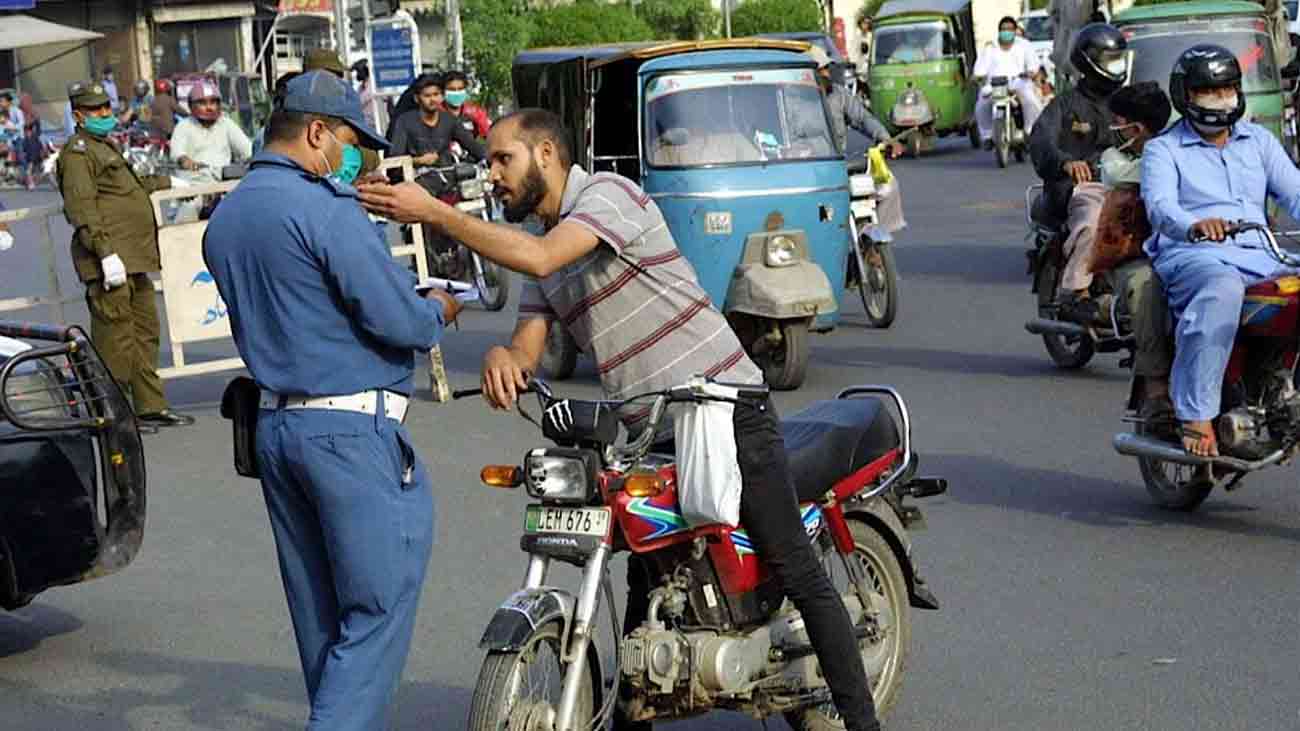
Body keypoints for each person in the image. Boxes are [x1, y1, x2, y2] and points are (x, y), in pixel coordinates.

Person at [356, 107, 885, 731]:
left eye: (504, 159)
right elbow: (529, 339)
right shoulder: (545, 242)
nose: (491, 172)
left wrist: (439, 214)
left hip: (724, 407)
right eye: (490, 161)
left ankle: (862, 723)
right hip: (645, 430)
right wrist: (504, 357)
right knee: (646, 572)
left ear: (547, 154)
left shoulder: (608, 196)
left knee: (794, 564)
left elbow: (543, 258)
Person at [203, 70, 461, 730]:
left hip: (277, 427)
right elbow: (397, 319)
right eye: (349, 141)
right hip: (349, 434)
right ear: (316, 132)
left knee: (321, 618)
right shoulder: (326, 207)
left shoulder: (227, 217)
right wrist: (436, 308)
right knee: (376, 607)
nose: (355, 158)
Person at [1142, 45, 1300, 458]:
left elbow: (1295, 192)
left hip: (1262, 253)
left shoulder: (1258, 140)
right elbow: (1160, 206)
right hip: (1193, 255)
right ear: (1185, 95)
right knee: (1223, 287)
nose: (1222, 98)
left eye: (1228, 88)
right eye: (1209, 91)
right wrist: (1193, 225)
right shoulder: (1164, 149)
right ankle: (1195, 412)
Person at [57, 81, 194, 430]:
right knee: (115, 342)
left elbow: (127, 190)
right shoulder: (78, 153)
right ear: (78, 116)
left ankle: (149, 405)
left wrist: (169, 184)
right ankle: (115, 414)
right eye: (96, 110)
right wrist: (104, 253)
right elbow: (82, 207)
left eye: (107, 107)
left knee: (145, 334)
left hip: (134, 260)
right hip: (110, 261)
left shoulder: (105, 146)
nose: (105, 114)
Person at [1028, 23, 1129, 320]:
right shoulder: (1064, 105)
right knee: (1092, 222)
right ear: (1090, 62)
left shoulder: (1128, 102)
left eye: (1119, 58)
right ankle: (1076, 291)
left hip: (1127, 184)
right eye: (1111, 60)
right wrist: (1065, 162)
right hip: (1077, 190)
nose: (1118, 65)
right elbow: (1040, 140)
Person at [810, 47, 907, 233]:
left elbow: (863, 119)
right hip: (809, 173)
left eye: (827, 68)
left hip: (839, 168)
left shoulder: (839, 95)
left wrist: (885, 139)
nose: (827, 73)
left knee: (888, 186)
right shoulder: (790, 99)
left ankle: (875, 238)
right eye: (821, 70)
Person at [973, 16, 1044, 146]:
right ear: (999, 31)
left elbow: (1033, 65)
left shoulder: (1024, 45)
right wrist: (978, 76)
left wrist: (1031, 72)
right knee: (981, 104)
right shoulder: (990, 47)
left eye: (1010, 29)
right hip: (995, 85)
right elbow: (980, 69)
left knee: (1031, 101)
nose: (1006, 32)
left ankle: (1029, 130)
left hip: (1018, 82)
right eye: (1003, 29)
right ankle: (987, 136)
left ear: (1015, 30)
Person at [170, 80, 252, 179]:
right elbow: (177, 153)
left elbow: (247, 150)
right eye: (203, 103)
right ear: (191, 106)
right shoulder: (184, 126)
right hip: (195, 181)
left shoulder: (226, 123)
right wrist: (185, 161)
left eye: (213, 102)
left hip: (224, 179)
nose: (209, 107)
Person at [440, 70, 490, 139]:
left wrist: (480, 122)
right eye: (452, 89)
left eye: (460, 89)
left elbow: (490, 136)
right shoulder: (436, 112)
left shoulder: (476, 112)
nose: (456, 93)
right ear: (443, 91)